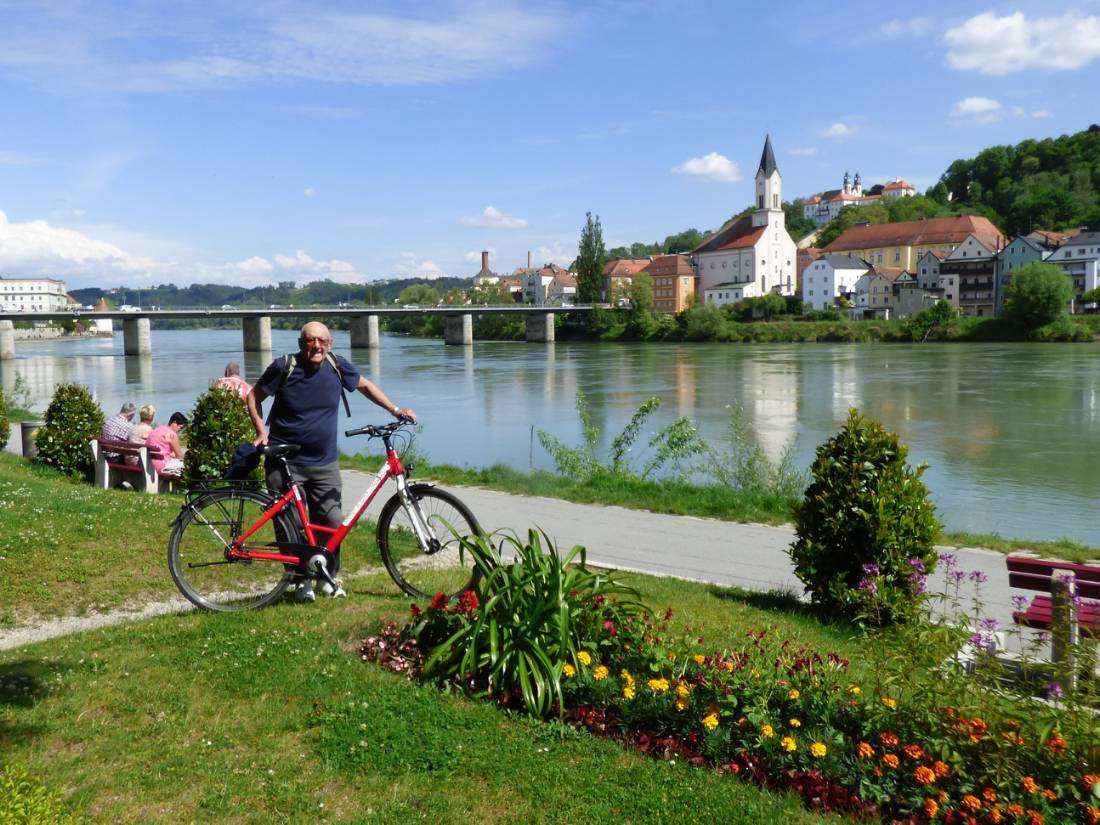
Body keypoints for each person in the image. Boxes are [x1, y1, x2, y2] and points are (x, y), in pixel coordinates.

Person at [246, 321, 416, 603]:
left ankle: (327, 576)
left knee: (332, 521)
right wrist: (261, 431)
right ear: (302, 344)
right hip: (284, 461)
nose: (316, 346)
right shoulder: (283, 366)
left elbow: (364, 386)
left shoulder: (337, 366)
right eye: (311, 341)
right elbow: (254, 396)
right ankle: (301, 582)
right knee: (291, 525)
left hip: (323, 462)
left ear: (330, 344)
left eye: (322, 341)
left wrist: (395, 409)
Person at [146, 411, 188, 477]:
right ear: (174, 422)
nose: (180, 430)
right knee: (187, 466)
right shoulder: (172, 434)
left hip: (149, 463)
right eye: (181, 427)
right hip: (162, 466)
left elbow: (163, 452)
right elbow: (179, 456)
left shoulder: (158, 429)